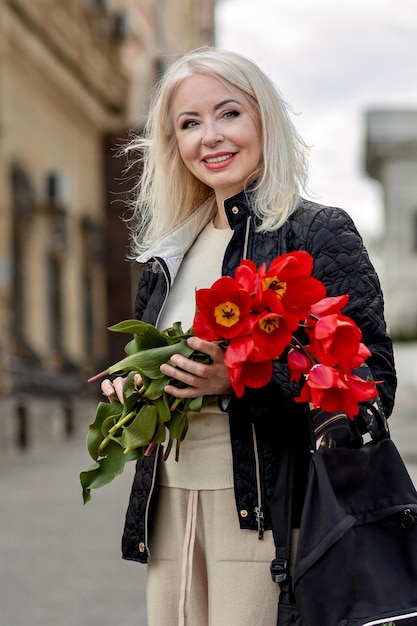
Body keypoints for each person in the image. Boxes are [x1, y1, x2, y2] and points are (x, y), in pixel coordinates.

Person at [101, 47, 396, 626]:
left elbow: (371, 390)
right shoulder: (169, 254)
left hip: (266, 512)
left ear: (263, 120)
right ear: (173, 145)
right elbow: (165, 377)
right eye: (189, 124)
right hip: (168, 507)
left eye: (228, 113)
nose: (210, 136)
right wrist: (137, 389)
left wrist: (238, 381)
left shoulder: (315, 231)